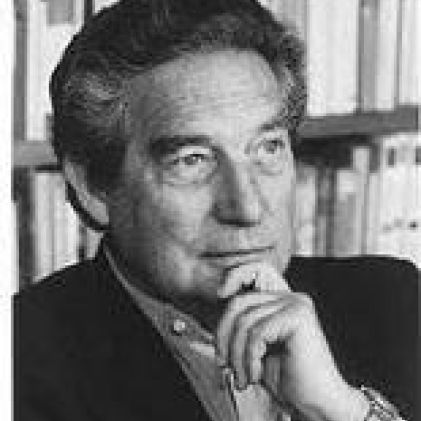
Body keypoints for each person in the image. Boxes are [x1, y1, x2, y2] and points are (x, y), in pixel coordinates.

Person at [14, 0, 418, 420]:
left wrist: (344, 410)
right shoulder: (21, 363)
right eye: (192, 160)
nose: (247, 207)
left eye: (268, 148)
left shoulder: (390, 303)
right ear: (94, 188)